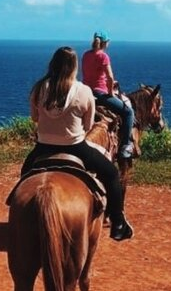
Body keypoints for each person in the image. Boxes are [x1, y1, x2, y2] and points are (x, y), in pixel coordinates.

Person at [21, 46, 133, 241]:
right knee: (112, 174)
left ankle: (21, 214)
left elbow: (35, 118)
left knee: (25, 175)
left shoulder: (39, 88)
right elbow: (89, 124)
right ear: (74, 67)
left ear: (53, 64)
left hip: (43, 147)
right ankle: (118, 223)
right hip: (76, 147)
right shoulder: (84, 91)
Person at [82, 30, 135, 159]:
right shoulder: (103, 56)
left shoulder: (86, 55)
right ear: (105, 43)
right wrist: (110, 92)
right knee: (128, 113)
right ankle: (125, 147)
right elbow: (110, 77)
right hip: (100, 94)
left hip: (86, 92)